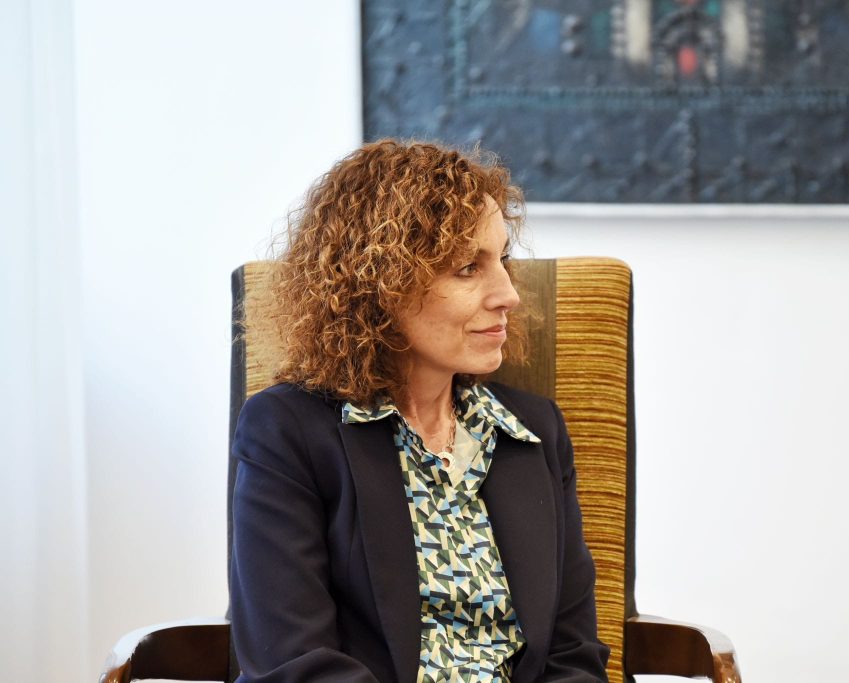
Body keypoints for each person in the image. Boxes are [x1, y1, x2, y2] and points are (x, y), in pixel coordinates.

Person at [230, 140, 609, 682]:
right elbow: (295, 663)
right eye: (467, 268)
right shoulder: (286, 431)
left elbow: (573, 655)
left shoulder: (533, 431)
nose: (508, 295)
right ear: (378, 283)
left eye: (502, 260)